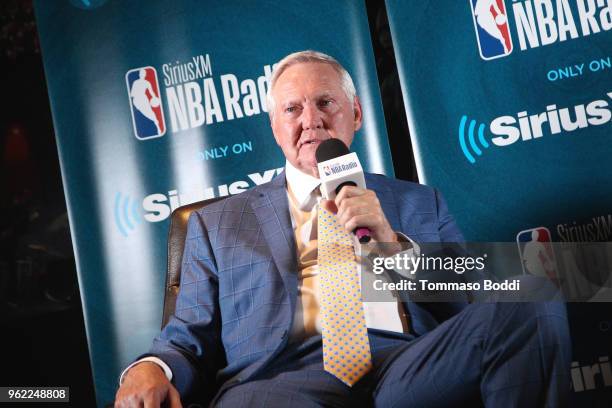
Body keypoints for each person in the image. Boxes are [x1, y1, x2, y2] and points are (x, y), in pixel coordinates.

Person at [115, 51, 570, 407]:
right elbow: (186, 336)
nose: (310, 119)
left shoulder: (417, 201)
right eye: (292, 108)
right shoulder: (217, 224)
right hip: (283, 380)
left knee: (532, 296)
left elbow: (466, 302)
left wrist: (394, 248)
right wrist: (151, 367)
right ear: (274, 128)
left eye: (325, 102)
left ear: (355, 113)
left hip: (407, 369)